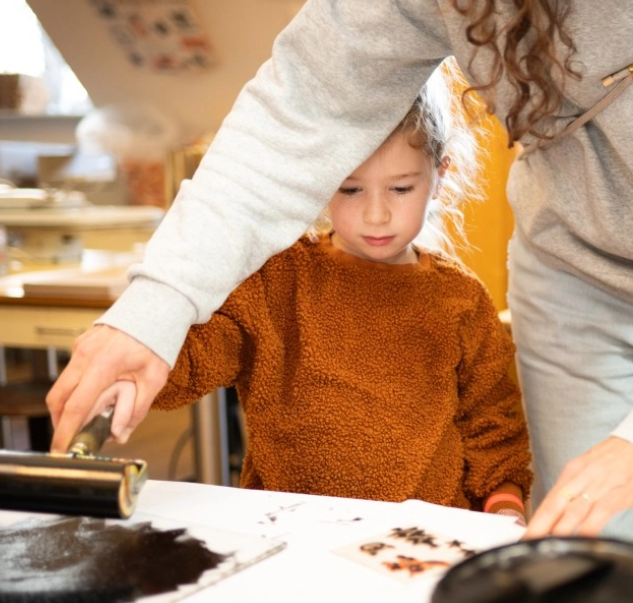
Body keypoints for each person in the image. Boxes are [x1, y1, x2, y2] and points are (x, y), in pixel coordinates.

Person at [48, 0, 633, 554]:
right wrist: (157, 303)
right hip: (578, 279)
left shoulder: (452, 301)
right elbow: (303, 103)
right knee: (582, 576)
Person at [95, 63, 533, 519]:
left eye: (401, 188)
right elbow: (196, 356)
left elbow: (494, 430)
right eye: (350, 189)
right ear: (318, 178)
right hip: (290, 530)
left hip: (421, 536)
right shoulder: (277, 278)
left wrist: (504, 507)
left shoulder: (461, 300)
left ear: (440, 175)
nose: (376, 215)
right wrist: (135, 362)